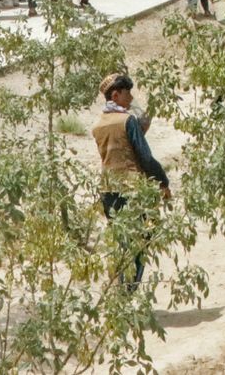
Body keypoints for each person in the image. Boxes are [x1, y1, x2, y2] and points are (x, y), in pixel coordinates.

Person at [92, 73, 170, 289]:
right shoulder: (128, 120)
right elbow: (145, 157)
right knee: (140, 241)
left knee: (121, 242)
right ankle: (129, 290)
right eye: (127, 93)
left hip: (108, 190)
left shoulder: (98, 125)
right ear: (116, 95)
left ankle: (119, 290)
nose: (131, 98)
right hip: (132, 189)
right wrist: (163, 182)